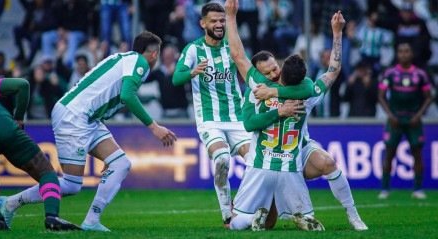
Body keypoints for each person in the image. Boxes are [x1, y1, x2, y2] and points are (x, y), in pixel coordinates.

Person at [0, 31, 177, 232]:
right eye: (158, 53)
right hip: (75, 116)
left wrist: (104, 153)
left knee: (120, 163)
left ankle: (92, 221)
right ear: (154, 54)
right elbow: (127, 95)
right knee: (71, 184)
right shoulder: (139, 63)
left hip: (88, 118)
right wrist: (154, 127)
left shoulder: (124, 59)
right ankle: (10, 203)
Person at [226, 1, 368, 231]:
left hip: (289, 152)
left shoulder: (259, 88)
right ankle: (285, 214)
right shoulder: (307, 93)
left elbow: (238, 55)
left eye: (276, 68)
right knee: (270, 221)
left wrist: (231, 17)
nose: (274, 72)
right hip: (282, 159)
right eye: (269, 71)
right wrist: (337, 34)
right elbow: (332, 71)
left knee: (328, 163)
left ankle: (352, 215)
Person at [172, 2, 314, 227]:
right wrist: (192, 72)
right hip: (210, 119)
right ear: (202, 23)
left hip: (237, 117)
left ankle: (262, 212)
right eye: (214, 21)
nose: (219, 25)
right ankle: (228, 215)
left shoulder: (231, 47)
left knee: (258, 162)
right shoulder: (193, 50)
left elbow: (247, 65)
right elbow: (175, 79)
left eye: (221, 21)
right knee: (221, 159)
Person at [0, 77, 81, 231]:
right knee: (45, 172)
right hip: (6, 130)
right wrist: (18, 117)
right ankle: (52, 217)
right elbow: (22, 85)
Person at [378, 42, 433, 200]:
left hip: (414, 119)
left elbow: (429, 97)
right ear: (397, 54)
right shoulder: (390, 73)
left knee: (417, 153)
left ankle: (417, 188)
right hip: (395, 118)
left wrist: (418, 115)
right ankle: (385, 188)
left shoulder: (420, 74)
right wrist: (390, 115)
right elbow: (381, 96)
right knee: (389, 153)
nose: (404, 54)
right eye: (401, 51)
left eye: (407, 51)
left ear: (411, 54)